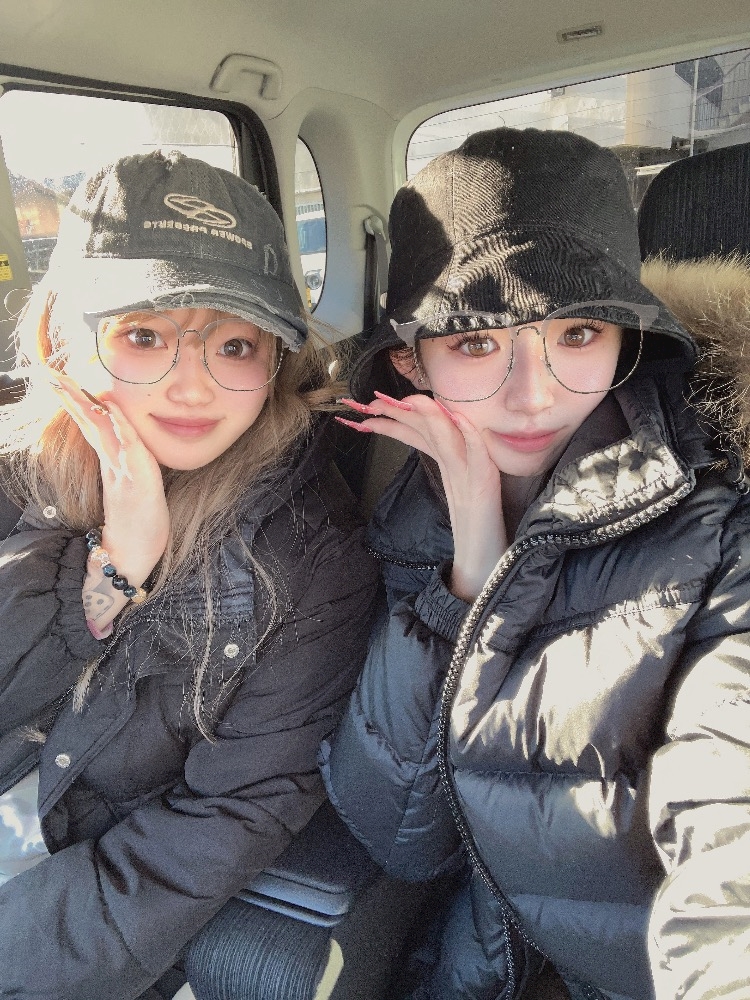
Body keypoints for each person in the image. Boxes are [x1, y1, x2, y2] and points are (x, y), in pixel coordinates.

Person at [320, 128, 750, 1000]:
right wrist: (472, 559)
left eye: (578, 331)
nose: (533, 394)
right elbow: (400, 834)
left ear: (629, 337)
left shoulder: (718, 529)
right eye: (476, 342)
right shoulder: (414, 510)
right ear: (410, 361)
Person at [0, 150, 377, 1000]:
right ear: (66, 340)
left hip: (70, 906)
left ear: (276, 362)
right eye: (144, 336)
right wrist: (112, 569)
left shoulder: (313, 559)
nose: (193, 387)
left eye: (235, 345)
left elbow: (228, 819)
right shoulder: (16, 472)